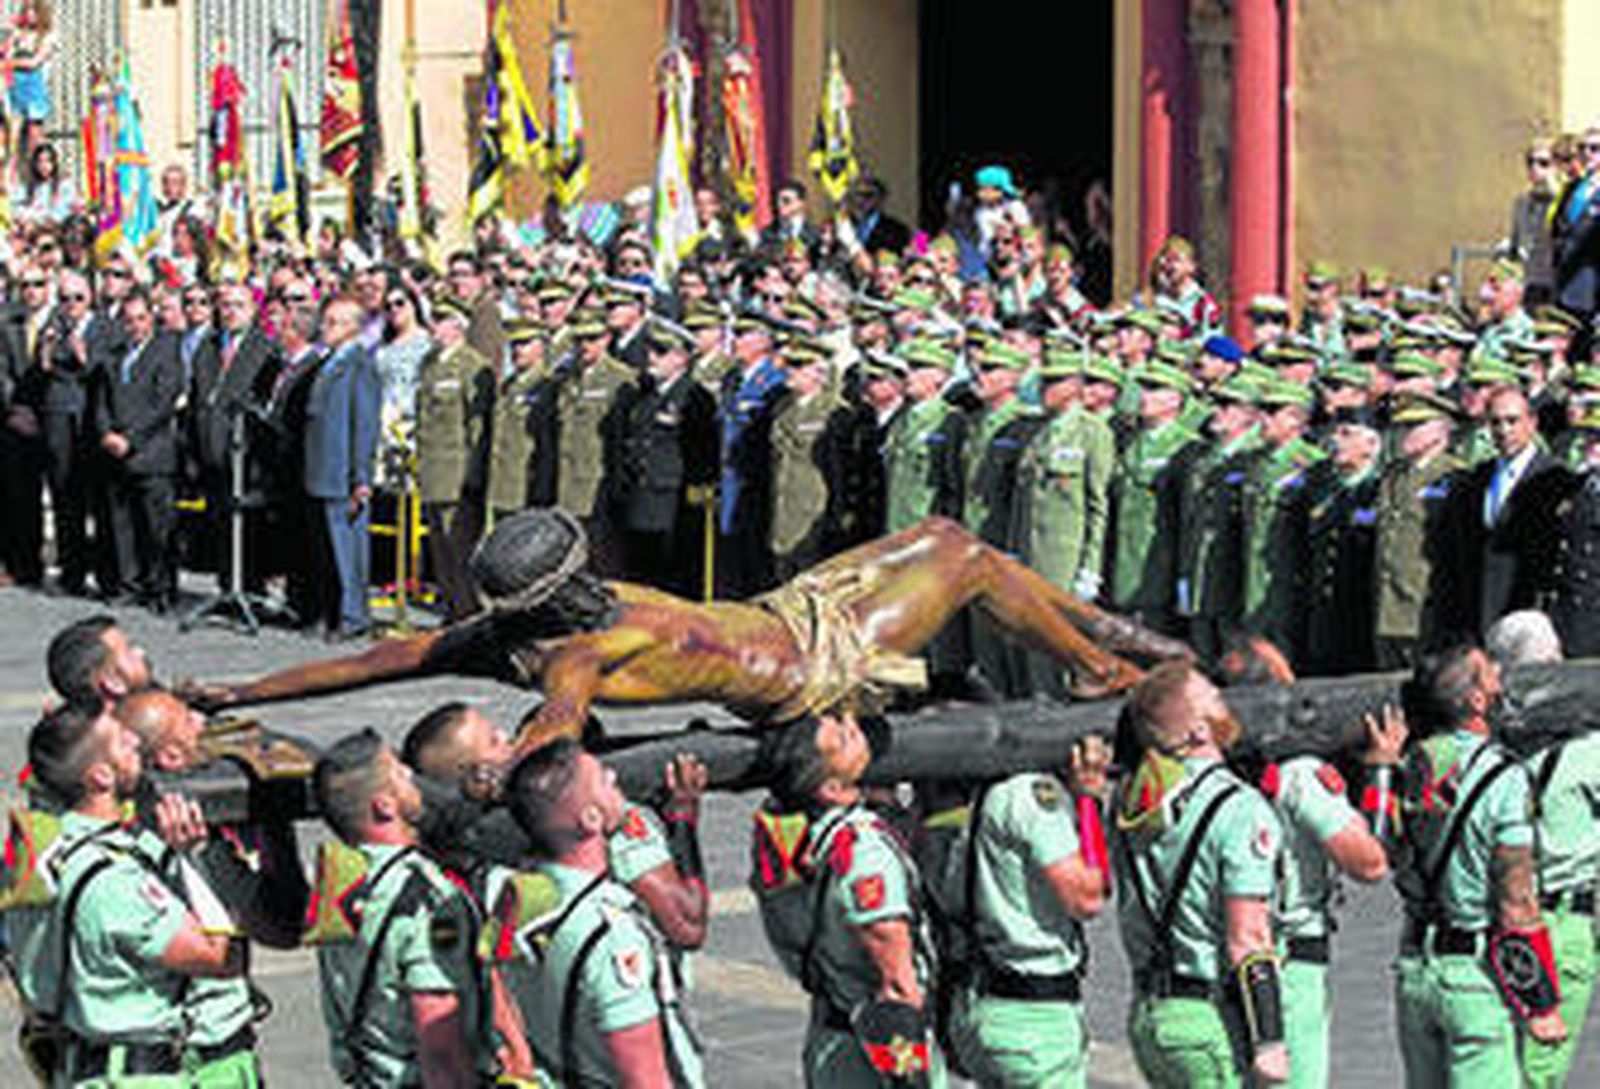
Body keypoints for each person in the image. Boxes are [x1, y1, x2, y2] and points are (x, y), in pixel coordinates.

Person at [188, 506, 1186, 749]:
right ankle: (1102, 661)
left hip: (788, 609)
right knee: (963, 562)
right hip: (814, 664)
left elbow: (368, 661)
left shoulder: (508, 636)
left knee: (942, 533)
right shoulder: (574, 652)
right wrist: (526, 748)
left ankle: (1108, 641)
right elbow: (560, 720)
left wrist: (241, 688)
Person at [25, 701, 250, 1085]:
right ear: (100, 777)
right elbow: (222, 958)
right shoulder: (116, 881)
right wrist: (195, 862)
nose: (133, 739)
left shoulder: (42, 853)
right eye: (119, 741)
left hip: (80, 1062)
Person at [1389, 644, 1566, 1086]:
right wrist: (1541, 1003)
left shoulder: (1414, 763)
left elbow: (1390, 850)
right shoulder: (1504, 777)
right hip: (1474, 976)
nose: (1500, 677)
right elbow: (1516, 899)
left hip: (1415, 968)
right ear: (1476, 701)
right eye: (1490, 674)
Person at [1110, 660, 1288, 1087]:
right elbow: (1248, 937)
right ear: (1199, 731)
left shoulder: (1130, 802)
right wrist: (1270, 1042)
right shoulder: (1239, 807)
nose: (1227, 706)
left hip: (1151, 1013)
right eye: (1216, 699)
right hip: (1209, 1020)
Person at [498, 739, 705, 1086]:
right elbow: (646, 1077)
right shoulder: (612, 937)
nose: (613, 776)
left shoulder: (518, 899)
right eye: (603, 780)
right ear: (590, 819)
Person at [761, 712, 946, 1086]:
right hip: (876, 1051)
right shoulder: (864, 854)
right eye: (843, 738)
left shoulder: (784, 832)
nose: (851, 724)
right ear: (831, 788)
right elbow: (897, 983)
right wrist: (911, 1073)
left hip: (831, 1036)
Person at [310, 730, 495, 1086]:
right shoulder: (427, 900)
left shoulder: (339, 884)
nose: (413, 778)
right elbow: (440, 1042)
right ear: (385, 806)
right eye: (400, 773)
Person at [937, 736, 1112, 1087]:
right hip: (1032, 1019)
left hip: (982, 1003)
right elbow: (1087, 897)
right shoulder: (1030, 794)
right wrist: (1089, 800)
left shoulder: (980, 793)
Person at [1253, 706, 1404, 1089]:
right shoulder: (1301, 776)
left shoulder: (1210, 775)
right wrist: (1381, 771)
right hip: (1289, 963)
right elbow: (1369, 861)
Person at [1481, 611, 1600, 1089]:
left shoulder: (1486, 749)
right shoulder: (1589, 750)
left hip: (1497, 922)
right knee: (1540, 1073)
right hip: (1564, 918)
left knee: (1496, 1064)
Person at [1014, 349, 1115, 693]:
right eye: (1044, 381)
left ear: (1074, 386)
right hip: (1032, 557)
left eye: (1053, 382)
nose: (1044, 389)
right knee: (1035, 640)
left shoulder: (1092, 432)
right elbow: (1024, 503)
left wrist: (1090, 568)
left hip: (1066, 560)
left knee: (1063, 646)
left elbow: (1098, 505)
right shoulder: (1039, 432)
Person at [1435, 387, 1572, 641]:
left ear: (1532, 423)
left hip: (1526, 614)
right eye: (1495, 422)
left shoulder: (1556, 479)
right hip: (1477, 615)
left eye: (1512, 421)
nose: (1503, 430)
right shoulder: (1477, 478)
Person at [90, 290, 183, 611]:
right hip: (115, 453)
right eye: (128, 320)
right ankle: (129, 585)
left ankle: (161, 590)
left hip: (150, 453)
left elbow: (163, 402)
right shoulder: (114, 356)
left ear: (152, 319)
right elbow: (100, 401)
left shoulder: (166, 352)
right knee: (122, 526)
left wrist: (130, 438)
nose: (135, 326)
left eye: (141, 319)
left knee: (156, 528)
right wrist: (105, 432)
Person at [188, 282, 282, 594]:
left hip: (246, 454)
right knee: (219, 522)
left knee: (248, 528)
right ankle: (227, 587)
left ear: (253, 310)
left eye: (238, 305)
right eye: (225, 305)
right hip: (211, 448)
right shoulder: (209, 346)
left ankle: (250, 590)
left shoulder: (265, 348)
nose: (230, 311)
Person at [618, 321, 718, 598]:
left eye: (661, 351)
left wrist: (695, 495)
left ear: (682, 357)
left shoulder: (695, 398)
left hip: (673, 503)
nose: (651, 358)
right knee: (641, 577)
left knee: (672, 581)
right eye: (651, 350)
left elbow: (702, 455)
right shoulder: (646, 395)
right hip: (641, 496)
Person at [303, 297, 381, 639]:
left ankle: (353, 617)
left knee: (348, 550)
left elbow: (363, 423)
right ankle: (332, 611)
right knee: (327, 551)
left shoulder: (360, 365)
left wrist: (360, 476)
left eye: (334, 322)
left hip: (342, 471)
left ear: (353, 327)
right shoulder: (330, 361)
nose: (325, 327)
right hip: (322, 468)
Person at [413, 295, 494, 621]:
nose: (435, 326)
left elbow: (477, 428)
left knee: (461, 547)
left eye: (442, 319)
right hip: (432, 470)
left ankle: (469, 612)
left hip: (456, 473)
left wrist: (473, 477)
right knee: (440, 548)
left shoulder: (473, 366)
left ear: (459, 325)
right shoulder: (431, 362)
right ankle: (451, 606)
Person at [1108, 361, 1200, 637]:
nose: (1144, 397)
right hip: (1122, 568)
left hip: (1159, 570)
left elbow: (1188, 520)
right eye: (1143, 389)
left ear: (1175, 399)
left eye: (1155, 389)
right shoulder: (1128, 442)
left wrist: (1184, 577)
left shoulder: (1187, 447)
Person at [1177, 376, 1262, 662]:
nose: (1218, 412)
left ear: (1250, 415)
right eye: (1217, 404)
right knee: (1200, 653)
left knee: (1236, 660)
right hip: (1200, 574)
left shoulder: (1255, 458)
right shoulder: (1202, 457)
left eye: (1228, 405)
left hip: (1234, 578)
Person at [1374, 394, 1460, 669]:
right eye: (1400, 427)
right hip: (1387, 606)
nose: (1403, 434)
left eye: (1414, 426)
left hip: (1424, 607)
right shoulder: (1393, 475)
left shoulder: (1452, 476)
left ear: (1440, 430)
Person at [554, 305, 638, 575]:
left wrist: (617, 488)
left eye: (591, 339)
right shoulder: (567, 379)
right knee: (572, 566)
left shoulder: (620, 379)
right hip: (566, 486)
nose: (584, 346)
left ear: (606, 339)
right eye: (578, 340)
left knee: (604, 564)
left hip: (598, 488)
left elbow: (622, 441)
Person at [1300, 411, 1383, 676]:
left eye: (1346, 433)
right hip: (1323, 611)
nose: (1335, 440)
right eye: (1335, 432)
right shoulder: (1322, 488)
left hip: (1362, 612)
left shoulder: (1381, 489)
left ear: (1371, 445)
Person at [486, 320, 557, 521]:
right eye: (514, 344)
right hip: (503, 489)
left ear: (542, 346)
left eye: (525, 343)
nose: (518, 350)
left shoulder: (547, 386)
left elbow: (547, 445)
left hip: (529, 489)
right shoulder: (507, 387)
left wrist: (542, 491)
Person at [1509, 137, 1560, 307]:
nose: (1535, 168)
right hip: (1530, 281)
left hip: (1556, 282)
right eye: (1530, 162)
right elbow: (1516, 242)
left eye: (1543, 163)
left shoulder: (1563, 201)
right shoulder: (1522, 202)